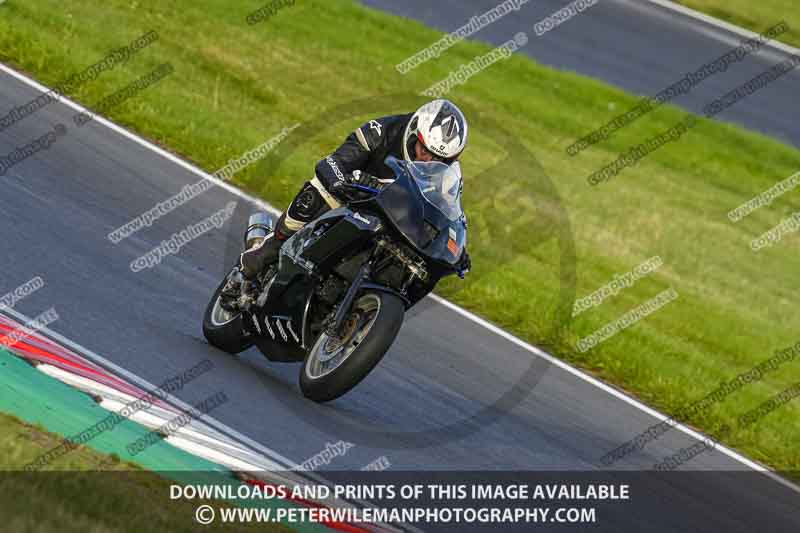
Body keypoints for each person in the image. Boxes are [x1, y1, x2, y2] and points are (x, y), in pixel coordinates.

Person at [224, 99, 471, 301]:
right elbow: (334, 161)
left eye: (438, 159)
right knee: (316, 196)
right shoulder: (382, 131)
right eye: (425, 151)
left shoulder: (447, 174)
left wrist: (455, 247)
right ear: (414, 135)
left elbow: (447, 210)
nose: (428, 160)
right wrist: (341, 181)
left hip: (393, 218)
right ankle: (255, 260)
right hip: (353, 195)